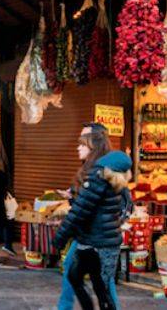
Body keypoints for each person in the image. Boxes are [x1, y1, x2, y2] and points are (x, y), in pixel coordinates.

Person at [53, 148, 133, 310]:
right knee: (90, 283)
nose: (78, 148)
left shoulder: (97, 179)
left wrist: (60, 237)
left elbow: (79, 212)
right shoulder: (117, 183)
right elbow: (99, 208)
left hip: (93, 244)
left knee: (91, 284)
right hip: (107, 243)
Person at [55, 124, 114, 310]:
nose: (77, 145)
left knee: (101, 282)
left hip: (97, 237)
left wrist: (60, 236)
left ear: (94, 142)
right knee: (79, 275)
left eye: (83, 139)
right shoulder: (94, 168)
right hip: (91, 234)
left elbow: (83, 209)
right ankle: (65, 307)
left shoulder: (98, 172)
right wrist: (74, 196)